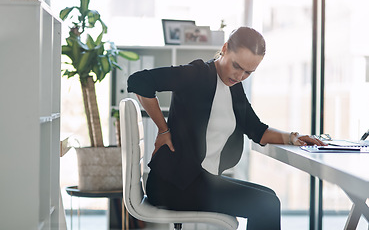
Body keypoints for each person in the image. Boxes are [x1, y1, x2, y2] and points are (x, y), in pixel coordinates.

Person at [127, 26, 326, 230]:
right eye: (237, 66)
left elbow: (258, 130)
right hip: (173, 185)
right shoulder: (196, 74)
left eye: (249, 72)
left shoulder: (234, 89)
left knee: (269, 198)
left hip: (200, 181)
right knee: (266, 204)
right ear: (224, 49)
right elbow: (139, 81)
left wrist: (295, 138)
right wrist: (163, 130)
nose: (240, 76)